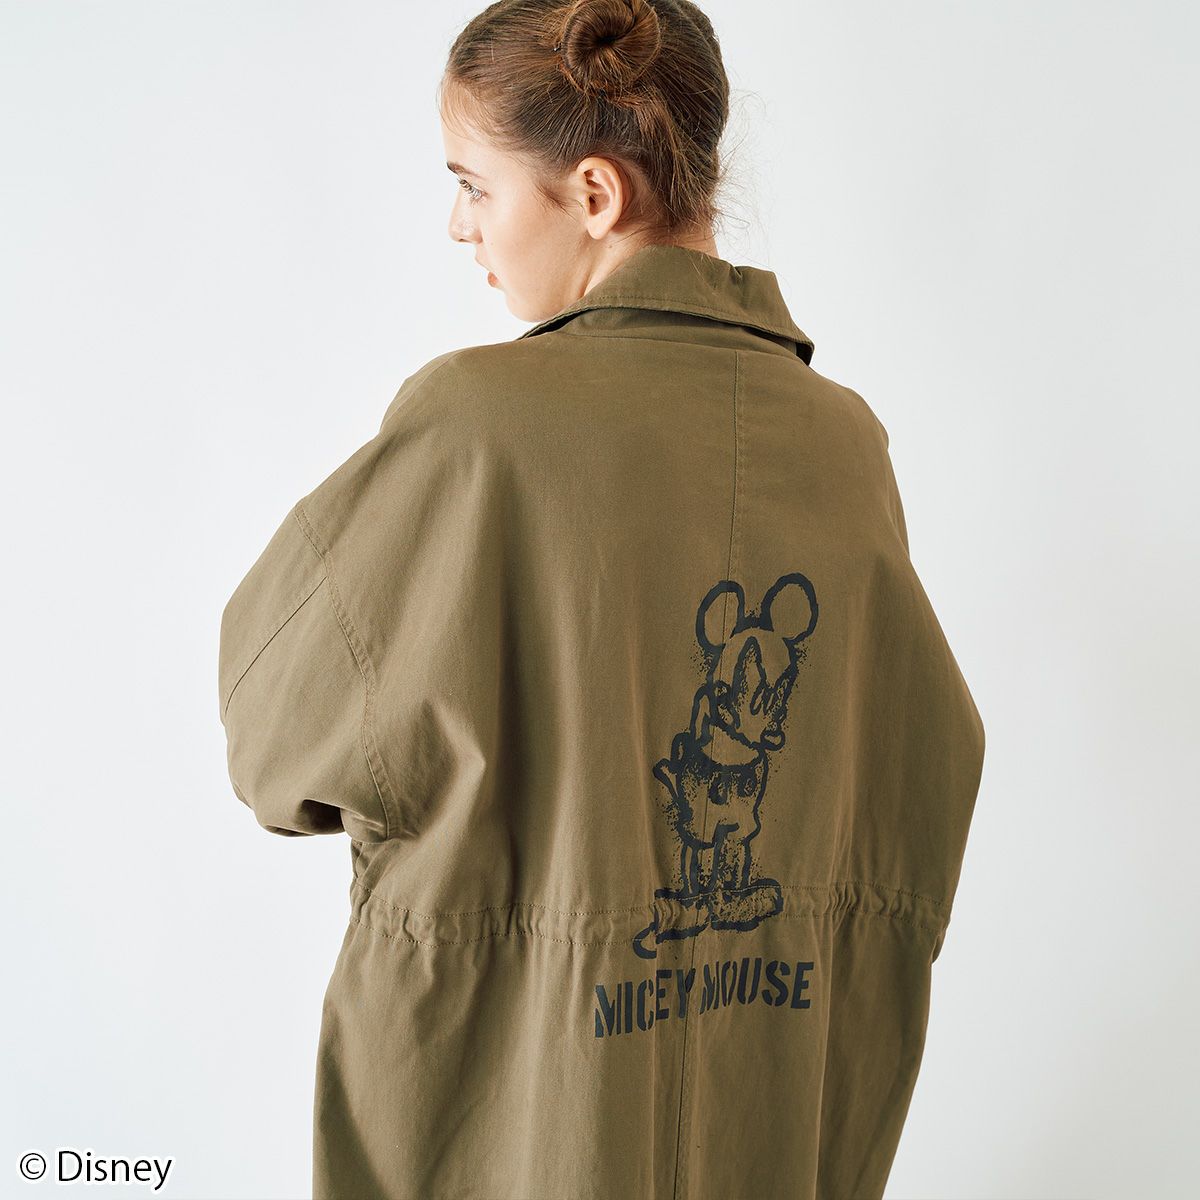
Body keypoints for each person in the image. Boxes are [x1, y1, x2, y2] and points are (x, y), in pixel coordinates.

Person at [216, 1, 986, 1197]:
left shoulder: (476, 427)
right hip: (768, 1117)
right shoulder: (844, 444)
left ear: (592, 193)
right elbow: (923, 774)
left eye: (474, 185)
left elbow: (274, 737)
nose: (460, 225)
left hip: (514, 1124)